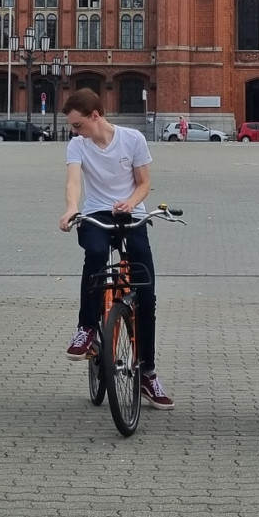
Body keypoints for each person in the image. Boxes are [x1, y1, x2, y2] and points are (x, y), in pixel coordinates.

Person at [58, 88, 174, 410]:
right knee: (94, 254)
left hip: (132, 212)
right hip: (96, 212)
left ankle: (147, 372)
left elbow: (144, 183)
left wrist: (131, 203)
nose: (74, 131)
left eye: (77, 124)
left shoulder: (132, 139)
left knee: (146, 292)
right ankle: (86, 329)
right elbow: (73, 181)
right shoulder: (78, 144)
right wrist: (71, 208)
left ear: (95, 116)